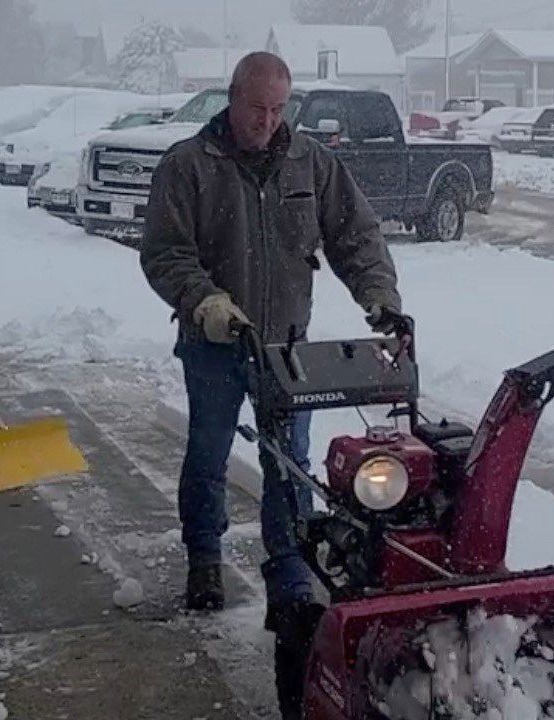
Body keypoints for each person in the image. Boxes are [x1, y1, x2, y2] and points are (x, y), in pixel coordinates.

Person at [140, 52, 405, 715]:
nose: (267, 121)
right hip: (214, 342)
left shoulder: (309, 163)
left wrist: (379, 296)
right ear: (231, 101)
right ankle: (204, 556)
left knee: (288, 462)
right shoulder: (188, 164)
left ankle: (289, 576)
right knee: (207, 452)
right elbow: (165, 251)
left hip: (286, 345)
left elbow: (355, 234)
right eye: (257, 109)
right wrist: (205, 302)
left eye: (279, 109)